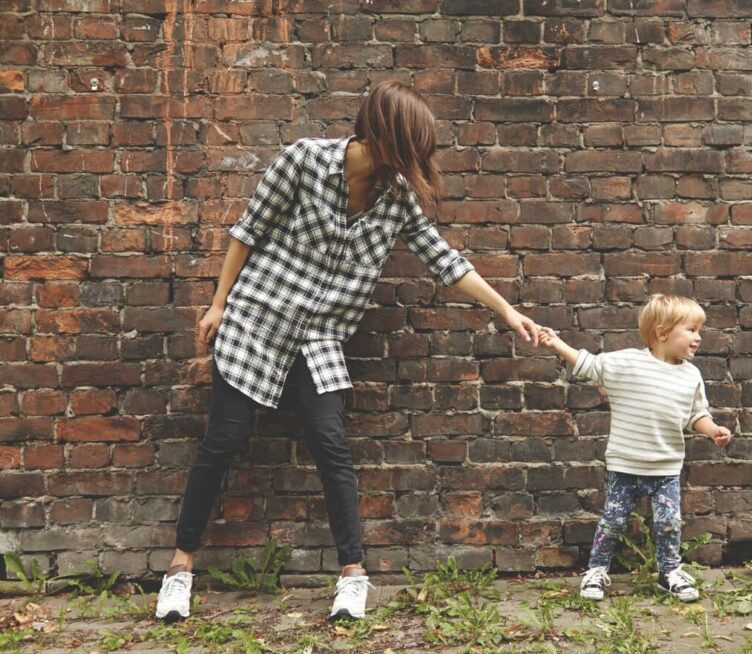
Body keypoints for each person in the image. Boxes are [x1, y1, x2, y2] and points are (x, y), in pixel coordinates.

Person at [155, 81, 540, 622]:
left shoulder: (397, 197)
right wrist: (218, 305)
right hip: (255, 321)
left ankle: (352, 576)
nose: (418, 162)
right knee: (223, 441)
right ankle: (179, 570)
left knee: (331, 445)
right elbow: (247, 231)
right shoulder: (304, 160)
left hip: (320, 339)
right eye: (414, 147)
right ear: (387, 133)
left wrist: (507, 310)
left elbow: (445, 260)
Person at [537, 294, 731, 602]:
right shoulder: (627, 362)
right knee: (613, 520)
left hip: (666, 466)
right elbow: (589, 364)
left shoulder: (691, 375)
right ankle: (597, 570)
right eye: (691, 330)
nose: (698, 338)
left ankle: (669, 572)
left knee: (668, 522)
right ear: (662, 332)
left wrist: (712, 431)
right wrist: (556, 343)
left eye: (699, 331)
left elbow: (696, 415)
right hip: (625, 465)